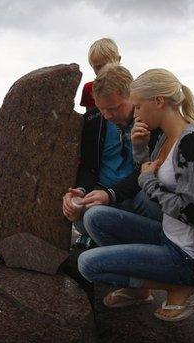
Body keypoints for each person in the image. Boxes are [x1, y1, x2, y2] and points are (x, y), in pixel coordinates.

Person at [77, 68, 194, 321]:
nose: (137, 114)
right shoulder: (166, 136)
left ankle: (180, 285)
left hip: (187, 253)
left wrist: (148, 181)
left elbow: (193, 210)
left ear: (158, 101)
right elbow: (148, 173)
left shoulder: (191, 142)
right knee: (94, 217)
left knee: (88, 265)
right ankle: (141, 288)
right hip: (167, 235)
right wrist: (140, 149)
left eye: (139, 106)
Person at [62, 63, 162, 250]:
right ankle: (135, 247)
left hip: (136, 196)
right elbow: (88, 166)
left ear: (131, 97)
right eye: (102, 109)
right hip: (104, 196)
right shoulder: (93, 120)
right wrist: (81, 191)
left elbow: (149, 171)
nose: (107, 115)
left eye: (114, 108)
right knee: (80, 219)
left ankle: (125, 248)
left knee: (151, 201)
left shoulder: (150, 120)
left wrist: (110, 195)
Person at [79, 38, 121, 112]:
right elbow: (89, 118)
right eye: (98, 67)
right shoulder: (89, 88)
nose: (103, 70)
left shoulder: (128, 87)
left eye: (106, 65)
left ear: (118, 60)